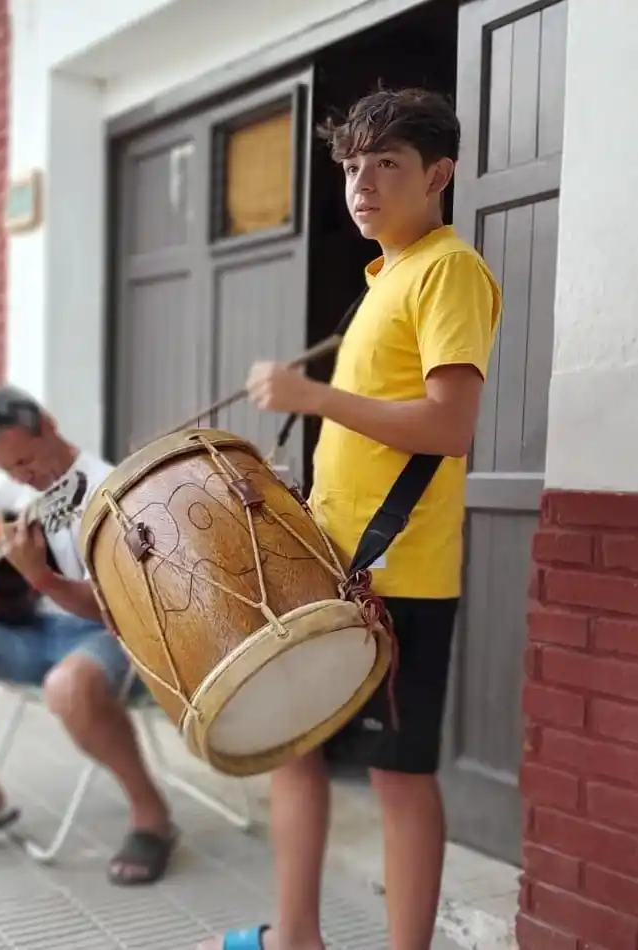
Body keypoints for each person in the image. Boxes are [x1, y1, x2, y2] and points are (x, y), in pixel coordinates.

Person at [197, 87, 503, 950]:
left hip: (397, 578)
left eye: (386, 165)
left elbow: (448, 426)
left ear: (437, 175)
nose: (361, 185)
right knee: (295, 751)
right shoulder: (384, 278)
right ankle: (295, 936)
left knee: (397, 777)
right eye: (350, 168)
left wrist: (311, 397)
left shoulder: (447, 269)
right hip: (334, 567)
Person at [0, 385, 176, 885]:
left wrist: (42, 578)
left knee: (68, 687)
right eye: (8, 469)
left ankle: (151, 814)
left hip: (102, 634)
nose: (21, 477)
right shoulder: (13, 483)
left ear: (49, 425)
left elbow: (115, 610)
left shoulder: (106, 494)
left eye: (26, 461)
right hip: (28, 629)